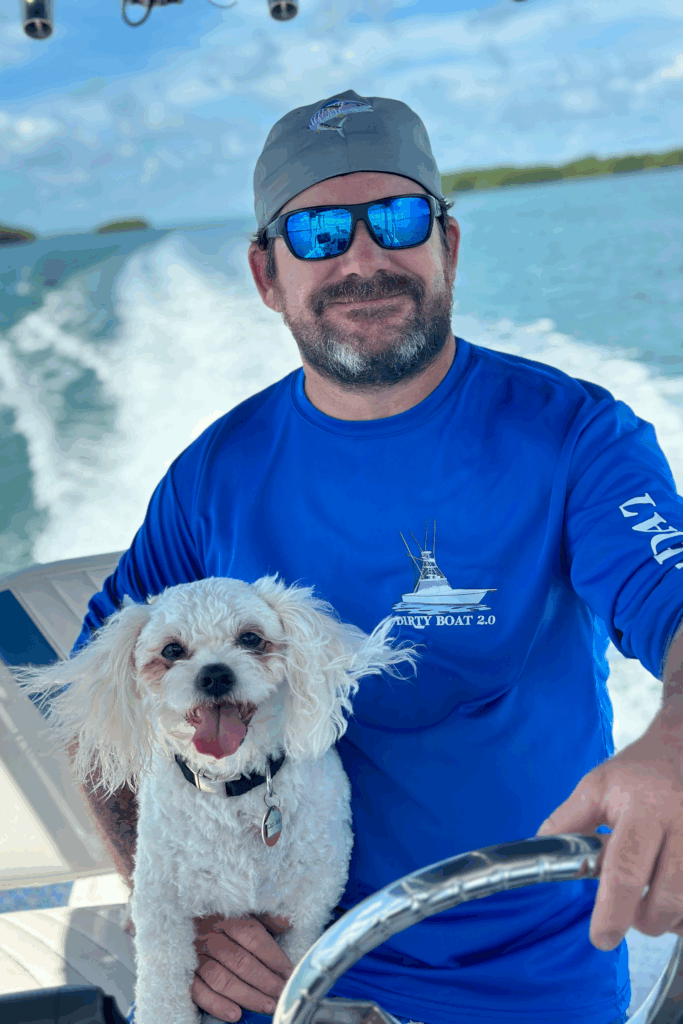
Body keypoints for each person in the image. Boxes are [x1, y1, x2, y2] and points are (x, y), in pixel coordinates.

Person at [70, 90, 683, 1024]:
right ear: (267, 274)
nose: (362, 258)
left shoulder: (576, 437)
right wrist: (189, 917)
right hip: (286, 969)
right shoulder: (212, 477)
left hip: (532, 971)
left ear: (447, 246)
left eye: (397, 220)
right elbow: (95, 700)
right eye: (317, 232)